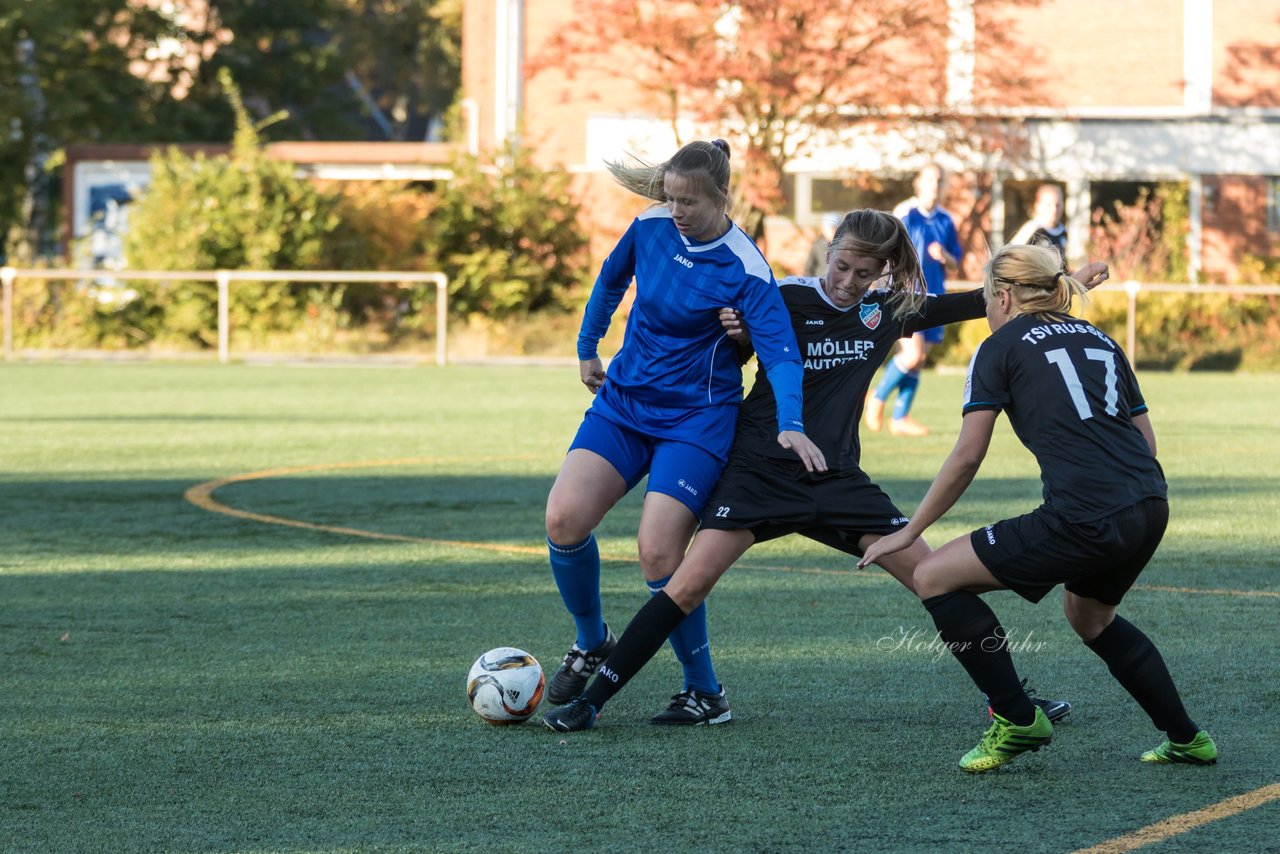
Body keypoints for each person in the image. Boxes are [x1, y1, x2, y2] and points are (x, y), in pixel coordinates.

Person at [542, 210, 1107, 733]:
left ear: (882, 272)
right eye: (841, 266)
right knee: (685, 585)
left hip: (837, 483)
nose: (847, 281)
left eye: (864, 273)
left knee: (936, 578)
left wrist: (1065, 283)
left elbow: (972, 303)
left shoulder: (885, 311)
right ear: (827, 251)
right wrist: (736, 333)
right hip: (758, 474)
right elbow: (717, 345)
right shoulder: (779, 296)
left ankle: (1015, 700)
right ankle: (593, 702)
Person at [859, 243, 1215, 773]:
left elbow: (968, 454)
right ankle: (1187, 738)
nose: (984, 306)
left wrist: (909, 533)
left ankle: (1017, 718)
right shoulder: (1100, 337)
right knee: (1090, 617)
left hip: (1084, 516)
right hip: (1148, 504)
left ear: (1002, 296)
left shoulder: (998, 346)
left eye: (985, 297)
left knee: (934, 576)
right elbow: (1147, 443)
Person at [543, 138, 825, 726]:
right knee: (564, 518)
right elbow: (610, 279)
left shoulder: (746, 266)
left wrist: (792, 423)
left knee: (658, 552)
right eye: (670, 198)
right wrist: (586, 347)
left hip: (695, 420)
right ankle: (592, 640)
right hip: (624, 404)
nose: (676, 211)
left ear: (722, 197)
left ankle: (705, 691)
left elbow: (781, 354)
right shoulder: (649, 226)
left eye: (689, 202)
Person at [865, 164, 963, 437]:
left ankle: (900, 417)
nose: (935, 185)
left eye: (939, 180)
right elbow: (887, 252)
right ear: (918, 183)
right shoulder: (905, 213)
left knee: (919, 360)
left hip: (935, 297)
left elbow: (956, 262)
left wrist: (945, 255)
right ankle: (877, 398)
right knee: (912, 354)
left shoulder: (946, 220)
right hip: (906, 295)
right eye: (930, 179)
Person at [1009, 183, 1068, 259]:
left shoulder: (1064, 231)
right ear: (1038, 206)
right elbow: (1009, 256)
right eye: (1048, 204)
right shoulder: (1032, 229)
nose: (1054, 210)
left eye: (1058, 205)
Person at [803, 212, 841, 277]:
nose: (833, 231)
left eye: (835, 228)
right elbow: (809, 269)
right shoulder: (817, 245)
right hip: (820, 283)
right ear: (822, 228)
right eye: (830, 228)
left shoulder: (846, 246)